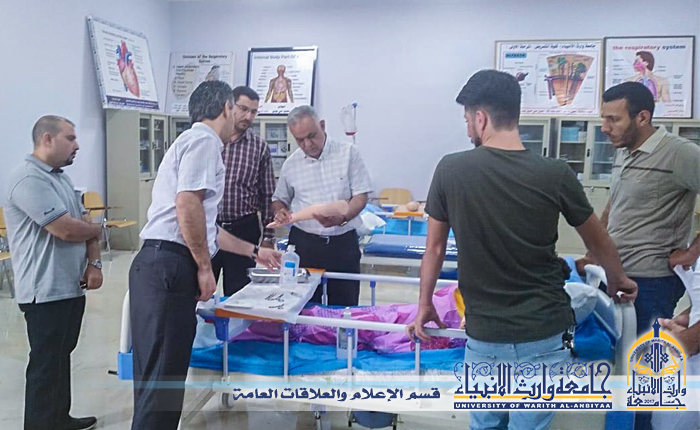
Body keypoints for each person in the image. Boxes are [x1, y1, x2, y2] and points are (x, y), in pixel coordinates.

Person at [406, 70, 637, 430]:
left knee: (486, 425)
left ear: (480, 118)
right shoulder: (555, 173)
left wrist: (424, 304)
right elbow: (598, 241)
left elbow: (433, 249)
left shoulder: (450, 169)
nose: (468, 130)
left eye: (467, 120)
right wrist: (619, 280)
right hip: (545, 331)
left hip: (485, 334)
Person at [128, 80, 281, 430]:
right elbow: (188, 205)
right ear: (226, 108)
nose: (243, 117)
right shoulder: (205, 141)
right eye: (239, 109)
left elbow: (207, 226)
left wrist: (254, 251)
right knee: (163, 381)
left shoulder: (191, 140)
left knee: (158, 379)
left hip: (158, 263)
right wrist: (204, 267)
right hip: (169, 265)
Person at [576, 82, 700, 430]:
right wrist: (593, 252)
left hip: (652, 283)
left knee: (646, 375)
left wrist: (692, 251)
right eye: (603, 118)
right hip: (615, 276)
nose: (605, 128)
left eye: (613, 119)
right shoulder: (625, 150)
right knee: (617, 368)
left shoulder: (680, 153)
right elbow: (614, 207)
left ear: (643, 117)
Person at [4, 115, 104, 430]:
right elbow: (65, 229)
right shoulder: (28, 179)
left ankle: (59, 418)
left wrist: (94, 263)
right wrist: (94, 230)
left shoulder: (60, 179)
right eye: (70, 138)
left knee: (62, 355)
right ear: (47, 139)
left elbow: (85, 225)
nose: (77, 146)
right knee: (46, 363)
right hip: (43, 290)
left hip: (70, 285)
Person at [271, 105, 372, 306]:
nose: (308, 144)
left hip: (342, 243)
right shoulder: (291, 164)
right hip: (305, 245)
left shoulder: (348, 153)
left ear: (323, 126)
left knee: (345, 305)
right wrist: (280, 211)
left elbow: (361, 196)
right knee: (303, 305)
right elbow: (279, 198)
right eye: (300, 140)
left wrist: (343, 218)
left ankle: (343, 328)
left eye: (312, 136)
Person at [213, 86, 276, 296]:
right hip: (209, 228)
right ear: (229, 106)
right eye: (243, 109)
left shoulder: (258, 147)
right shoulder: (210, 141)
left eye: (253, 112)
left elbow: (267, 195)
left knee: (239, 295)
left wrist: (268, 237)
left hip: (244, 229)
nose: (248, 116)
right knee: (200, 289)